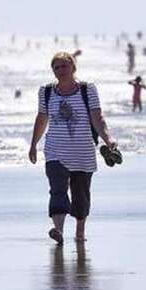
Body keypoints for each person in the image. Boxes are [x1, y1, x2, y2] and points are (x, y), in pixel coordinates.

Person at [29, 52, 117, 244]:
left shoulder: (87, 90)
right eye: (56, 67)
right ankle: (58, 230)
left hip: (82, 152)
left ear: (73, 67)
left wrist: (108, 140)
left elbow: (97, 117)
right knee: (57, 189)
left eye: (64, 66)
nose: (61, 70)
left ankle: (79, 233)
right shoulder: (46, 92)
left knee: (81, 195)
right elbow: (42, 118)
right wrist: (34, 144)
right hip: (55, 151)